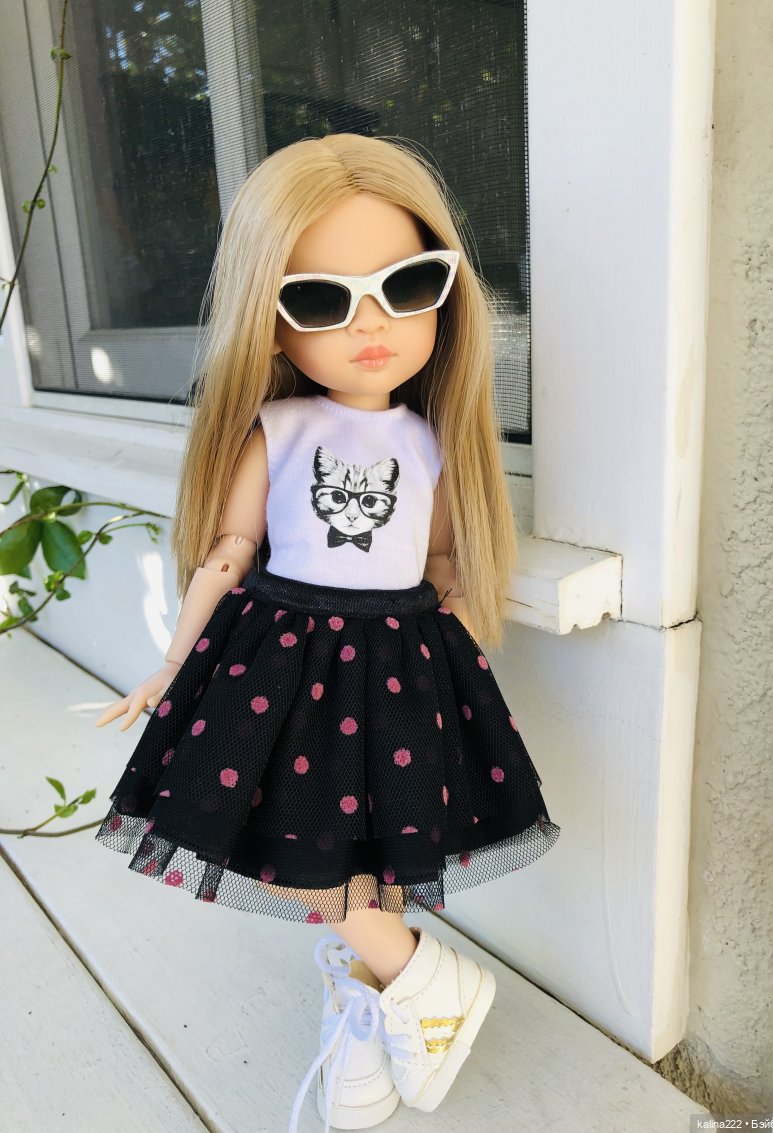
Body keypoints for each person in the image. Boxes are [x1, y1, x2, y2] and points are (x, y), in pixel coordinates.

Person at [93, 132, 561, 1133]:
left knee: (364, 839)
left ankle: (386, 991)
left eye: (407, 286)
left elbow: (442, 559)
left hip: (397, 659)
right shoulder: (280, 429)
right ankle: (417, 978)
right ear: (269, 322)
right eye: (319, 300)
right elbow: (229, 550)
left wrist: (460, 655)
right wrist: (172, 665)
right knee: (289, 838)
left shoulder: (430, 440)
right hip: (281, 655)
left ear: (447, 295)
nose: (370, 324)